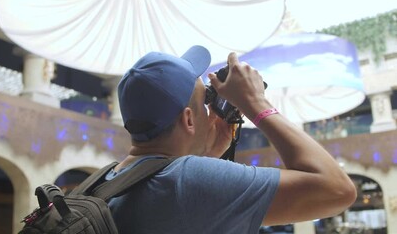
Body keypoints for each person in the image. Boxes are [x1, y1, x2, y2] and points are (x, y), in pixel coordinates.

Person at [106, 45, 356, 233]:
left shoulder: (107, 181)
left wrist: (206, 155)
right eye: (206, 101)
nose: (211, 109)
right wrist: (256, 103)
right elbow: (337, 190)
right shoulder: (189, 181)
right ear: (189, 120)